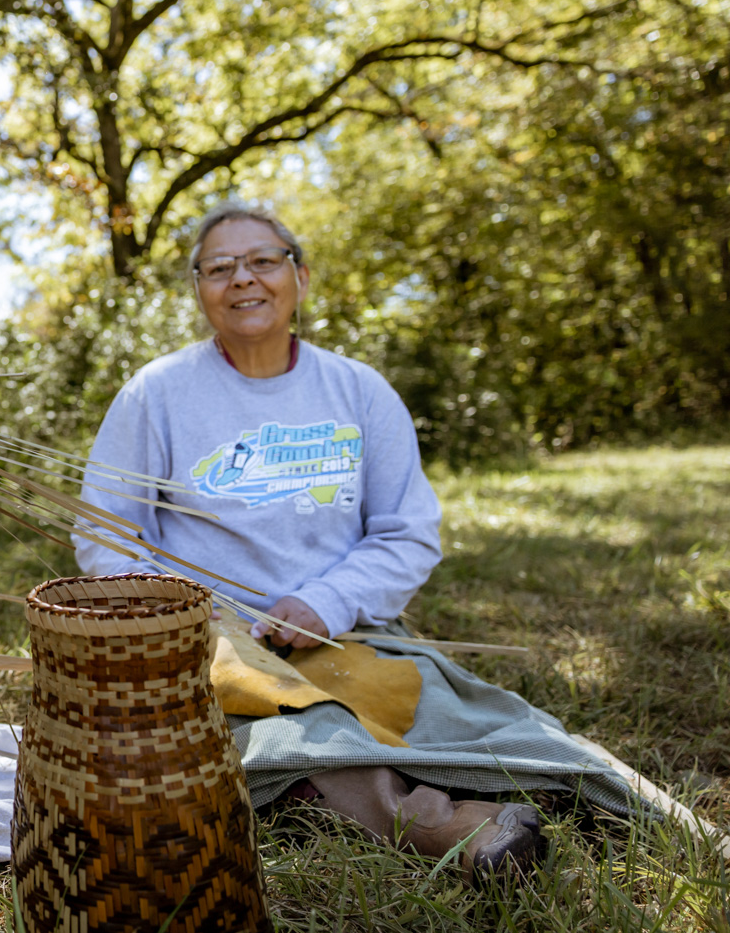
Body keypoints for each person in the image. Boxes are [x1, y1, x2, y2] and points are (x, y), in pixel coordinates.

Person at [74, 201, 630, 886]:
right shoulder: (155, 393)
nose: (242, 279)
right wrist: (192, 616)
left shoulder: (358, 390)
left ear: (300, 276)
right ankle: (449, 823)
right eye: (219, 267)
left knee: (469, 714)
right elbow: (105, 534)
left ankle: (547, 781)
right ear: (199, 290)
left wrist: (325, 601)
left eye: (262, 260)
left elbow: (407, 531)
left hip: (349, 636)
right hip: (210, 649)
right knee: (292, 732)